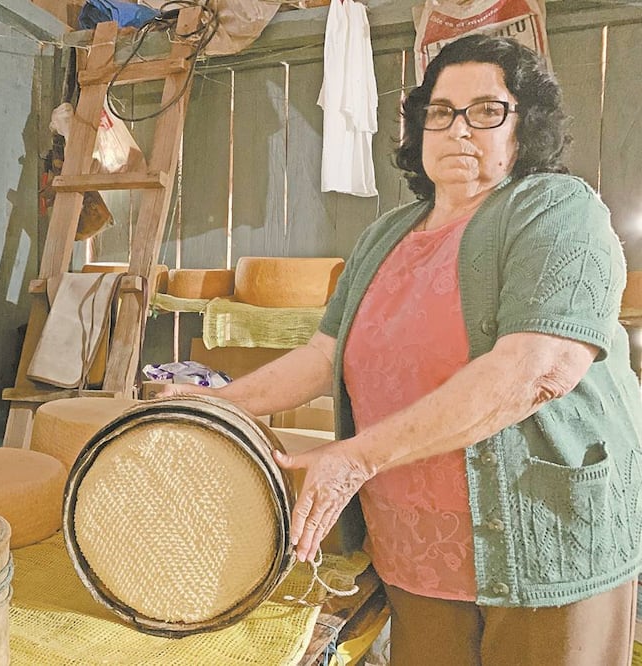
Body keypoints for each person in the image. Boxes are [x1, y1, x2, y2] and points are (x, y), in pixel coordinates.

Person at [161, 34, 642, 664]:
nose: (459, 129)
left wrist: (357, 458)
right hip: (415, 550)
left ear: (527, 126)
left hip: (538, 543)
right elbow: (324, 355)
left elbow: (536, 369)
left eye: (488, 111)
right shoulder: (388, 233)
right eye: (440, 112)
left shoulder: (557, 210)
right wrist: (218, 402)